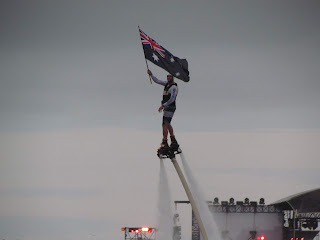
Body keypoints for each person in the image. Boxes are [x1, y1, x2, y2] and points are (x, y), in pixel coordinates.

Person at [147, 69, 179, 151]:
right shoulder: (166, 84)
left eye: (170, 76)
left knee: (164, 124)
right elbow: (157, 81)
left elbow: (172, 98)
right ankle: (173, 140)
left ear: (173, 77)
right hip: (167, 107)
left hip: (170, 107)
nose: (168, 78)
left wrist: (163, 105)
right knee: (167, 123)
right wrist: (151, 74)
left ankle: (165, 142)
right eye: (167, 76)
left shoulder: (173, 87)